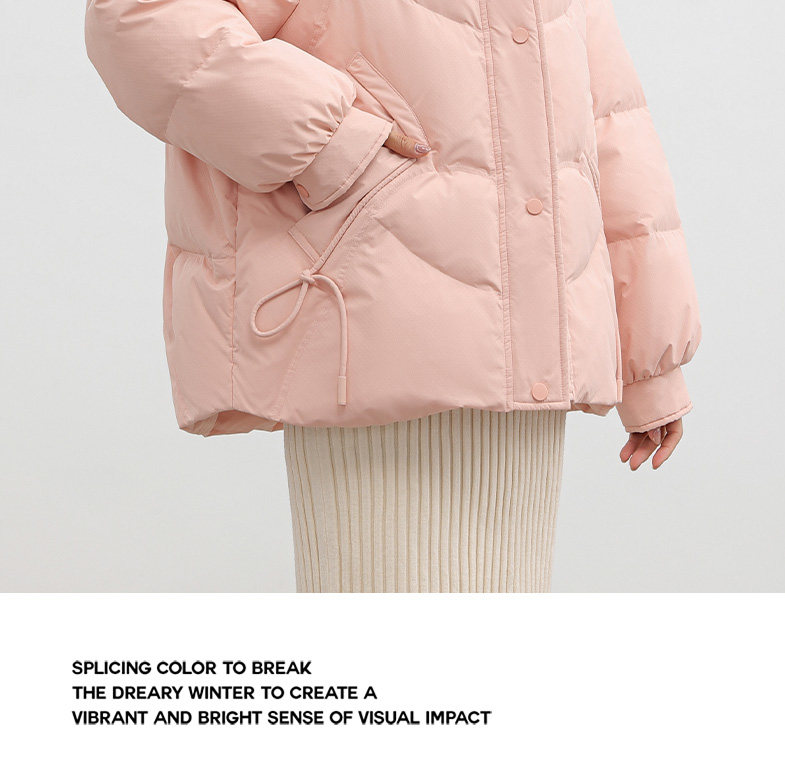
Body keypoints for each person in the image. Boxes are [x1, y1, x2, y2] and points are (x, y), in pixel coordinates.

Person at [85, 0, 701, 593]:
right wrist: (328, 143)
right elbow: (140, 16)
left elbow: (607, 118)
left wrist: (649, 360)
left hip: (532, 354)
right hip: (372, 314)